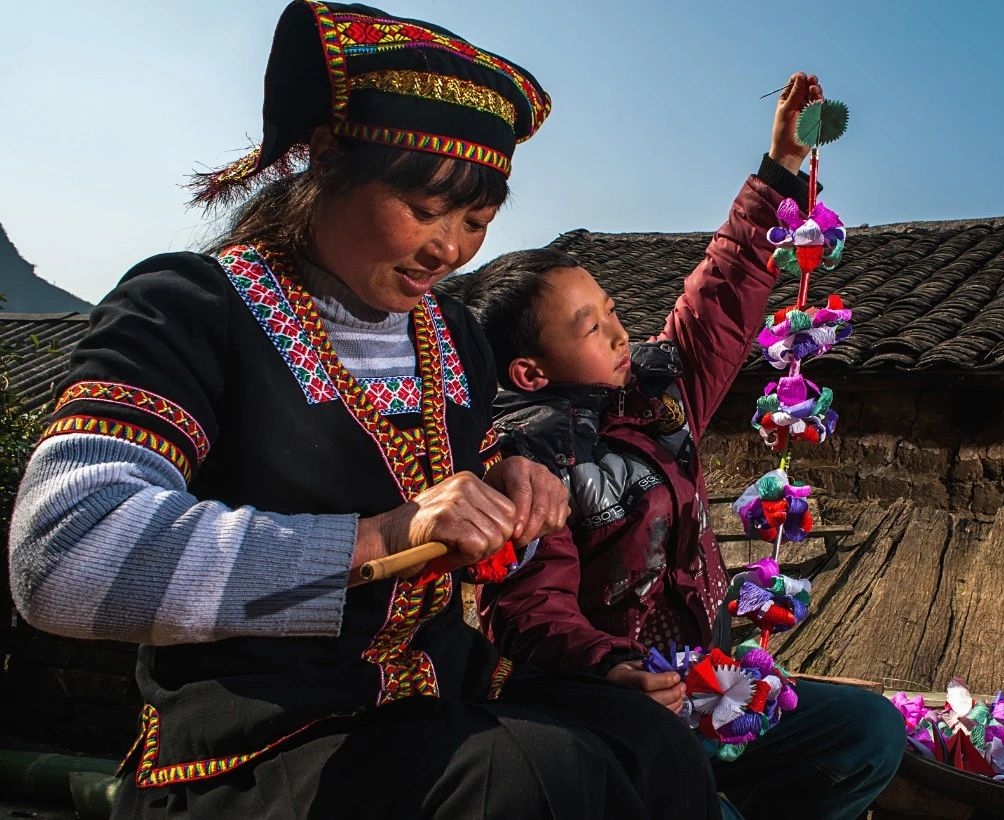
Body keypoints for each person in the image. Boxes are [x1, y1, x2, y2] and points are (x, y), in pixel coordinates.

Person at [7, 2, 719, 817]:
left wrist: (513, 481)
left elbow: (471, 473)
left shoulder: (452, 331)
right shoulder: (189, 308)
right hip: (256, 741)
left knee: (652, 737)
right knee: (528, 778)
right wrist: (382, 536)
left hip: (438, 698)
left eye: (476, 221)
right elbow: (60, 556)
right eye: (424, 210)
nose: (450, 249)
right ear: (327, 160)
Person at [464, 73, 906, 819]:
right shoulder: (524, 465)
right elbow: (529, 608)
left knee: (868, 733)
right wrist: (616, 670)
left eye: (609, 309)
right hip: (614, 707)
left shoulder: (658, 401)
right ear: (530, 371)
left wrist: (780, 168)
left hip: (707, 681)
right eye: (588, 326)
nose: (615, 330)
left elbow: (721, 294)